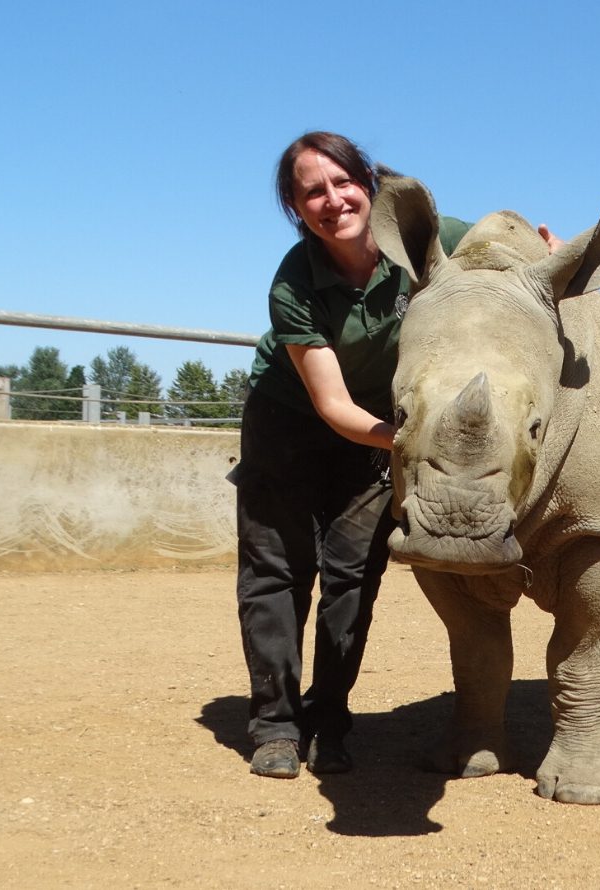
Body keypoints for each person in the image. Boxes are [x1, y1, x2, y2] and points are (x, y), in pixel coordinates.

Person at [233, 132, 561, 779]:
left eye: (341, 183)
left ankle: (329, 717)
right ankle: (275, 725)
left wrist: (547, 257)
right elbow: (332, 407)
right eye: (311, 193)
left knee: (354, 575)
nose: (332, 200)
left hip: (387, 425)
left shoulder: (426, 243)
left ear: (369, 187)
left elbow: (509, 258)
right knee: (278, 573)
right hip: (291, 425)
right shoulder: (295, 282)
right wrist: (417, 444)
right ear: (297, 209)